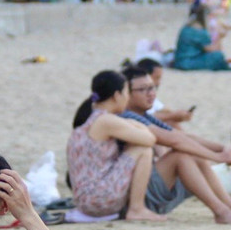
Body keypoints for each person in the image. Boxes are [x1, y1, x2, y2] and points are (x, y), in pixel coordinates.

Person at [121, 64, 231, 224]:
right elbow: (175, 141)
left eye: (153, 88)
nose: (151, 94)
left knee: (194, 153)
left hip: (144, 188)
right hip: (132, 195)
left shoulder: (144, 115)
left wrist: (223, 148)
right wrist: (217, 157)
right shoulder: (127, 116)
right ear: (127, 94)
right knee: (180, 156)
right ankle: (222, 211)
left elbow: (183, 136)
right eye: (143, 89)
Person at [66, 71, 166, 221]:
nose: (127, 97)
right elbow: (150, 139)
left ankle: (136, 208)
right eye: (126, 92)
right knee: (143, 149)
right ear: (116, 95)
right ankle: (137, 209)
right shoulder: (106, 121)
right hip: (98, 201)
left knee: (136, 146)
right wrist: (135, 123)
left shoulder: (90, 117)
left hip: (85, 201)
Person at [173, 3, 231, 71]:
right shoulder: (200, 31)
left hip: (179, 62)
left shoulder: (186, 28)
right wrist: (220, 37)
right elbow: (213, 49)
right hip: (189, 63)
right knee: (218, 56)